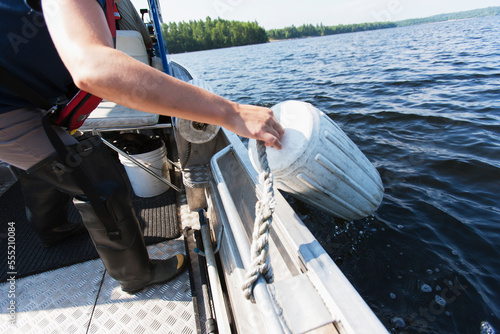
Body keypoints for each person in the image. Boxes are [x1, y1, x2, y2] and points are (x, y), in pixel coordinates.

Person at [0, 0, 284, 294]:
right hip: (7, 108)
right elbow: (93, 68)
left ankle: (52, 229)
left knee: (48, 161)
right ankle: (136, 275)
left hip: (19, 99)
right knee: (97, 179)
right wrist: (231, 112)